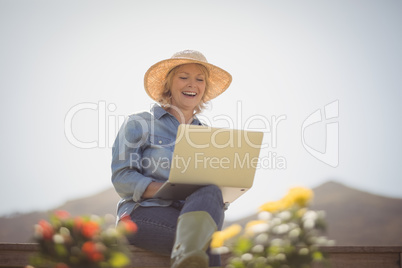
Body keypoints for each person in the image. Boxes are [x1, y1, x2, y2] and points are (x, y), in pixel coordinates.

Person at [111, 50, 232, 268]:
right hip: (143, 216)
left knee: (211, 190)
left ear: (204, 89)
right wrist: (168, 188)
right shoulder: (139, 123)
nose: (191, 84)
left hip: (189, 218)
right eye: (183, 77)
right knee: (207, 248)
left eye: (199, 79)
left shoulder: (208, 138)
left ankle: (190, 255)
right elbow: (122, 178)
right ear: (168, 84)